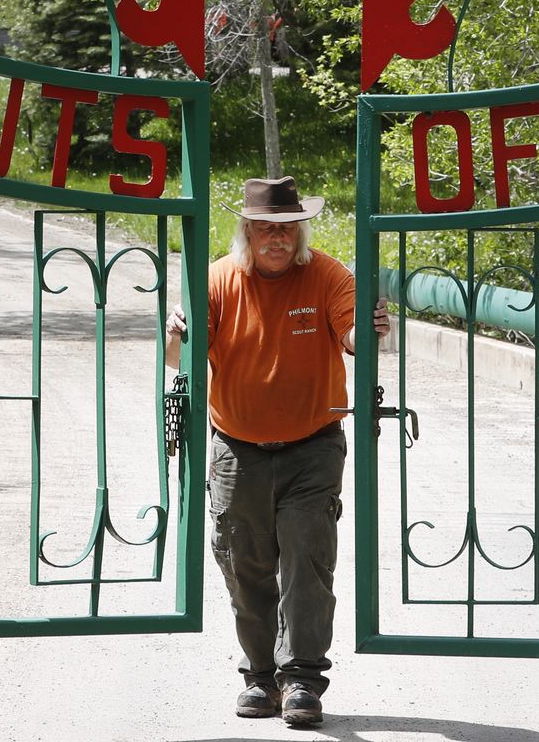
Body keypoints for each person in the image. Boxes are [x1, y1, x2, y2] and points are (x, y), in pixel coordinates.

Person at [164, 176, 389, 728]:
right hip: (236, 450)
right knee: (246, 565)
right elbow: (179, 360)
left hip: (313, 447)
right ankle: (261, 677)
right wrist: (176, 332)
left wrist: (371, 328)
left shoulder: (329, 274)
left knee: (308, 562)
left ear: (300, 231)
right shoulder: (217, 279)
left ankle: (304, 681)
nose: (277, 238)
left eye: (287, 228)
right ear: (246, 231)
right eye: (265, 228)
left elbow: (354, 336)